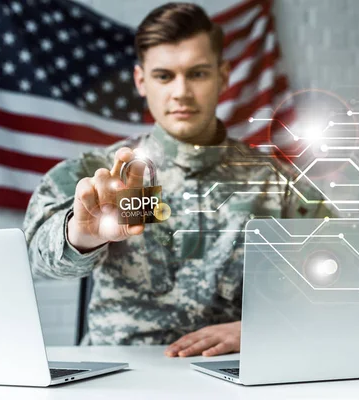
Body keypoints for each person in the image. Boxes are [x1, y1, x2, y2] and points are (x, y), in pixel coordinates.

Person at [23, 2, 327, 358]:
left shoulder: (278, 184)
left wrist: (267, 326)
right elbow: (31, 255)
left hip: (233, 371)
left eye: (197, 74)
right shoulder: (99, 170)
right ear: (141, 81)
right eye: (164, 76)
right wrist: (81, 234)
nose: (181, 92)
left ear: (223, 76)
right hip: (121, 373)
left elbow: (346, 272)